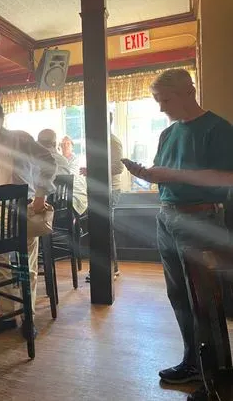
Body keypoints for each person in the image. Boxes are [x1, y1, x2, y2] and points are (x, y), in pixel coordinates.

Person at [122, 68, 233, 401]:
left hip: (201, 220)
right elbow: (167, 174)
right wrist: (146, 174)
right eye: (158, 100)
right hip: (167, 216)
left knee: (205, 301)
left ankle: (219, 379)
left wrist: (172, 174)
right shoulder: (168, 134)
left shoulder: (218, 129)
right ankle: (194, 363)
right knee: (179, 296)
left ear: (189, 92)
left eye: (165, 100)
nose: (161, 107)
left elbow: (226, 178)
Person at [0, 100, 56, 339]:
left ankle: (28, 316)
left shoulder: (20, 138)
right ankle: (8, 315)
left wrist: (41, 196)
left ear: (1, 119)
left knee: (26, 266)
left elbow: (48, 161)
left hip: (25, 208)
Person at [83, 118, 124, 282]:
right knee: (100, 229)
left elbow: (119, 167)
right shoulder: (102, 141)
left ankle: (109, 269)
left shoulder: (113, 141)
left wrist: (93, 170)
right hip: (100, 190)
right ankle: (106, 269)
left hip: (110, 190)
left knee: (104, 230)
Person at [38, 129, 88, 215]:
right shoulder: (60, 160)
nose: (65, 146)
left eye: (68, 143)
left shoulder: (77, 160)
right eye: (63, 144)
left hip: (68, 195)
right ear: (57, 145)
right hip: (57, 198)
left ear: (72, 146)